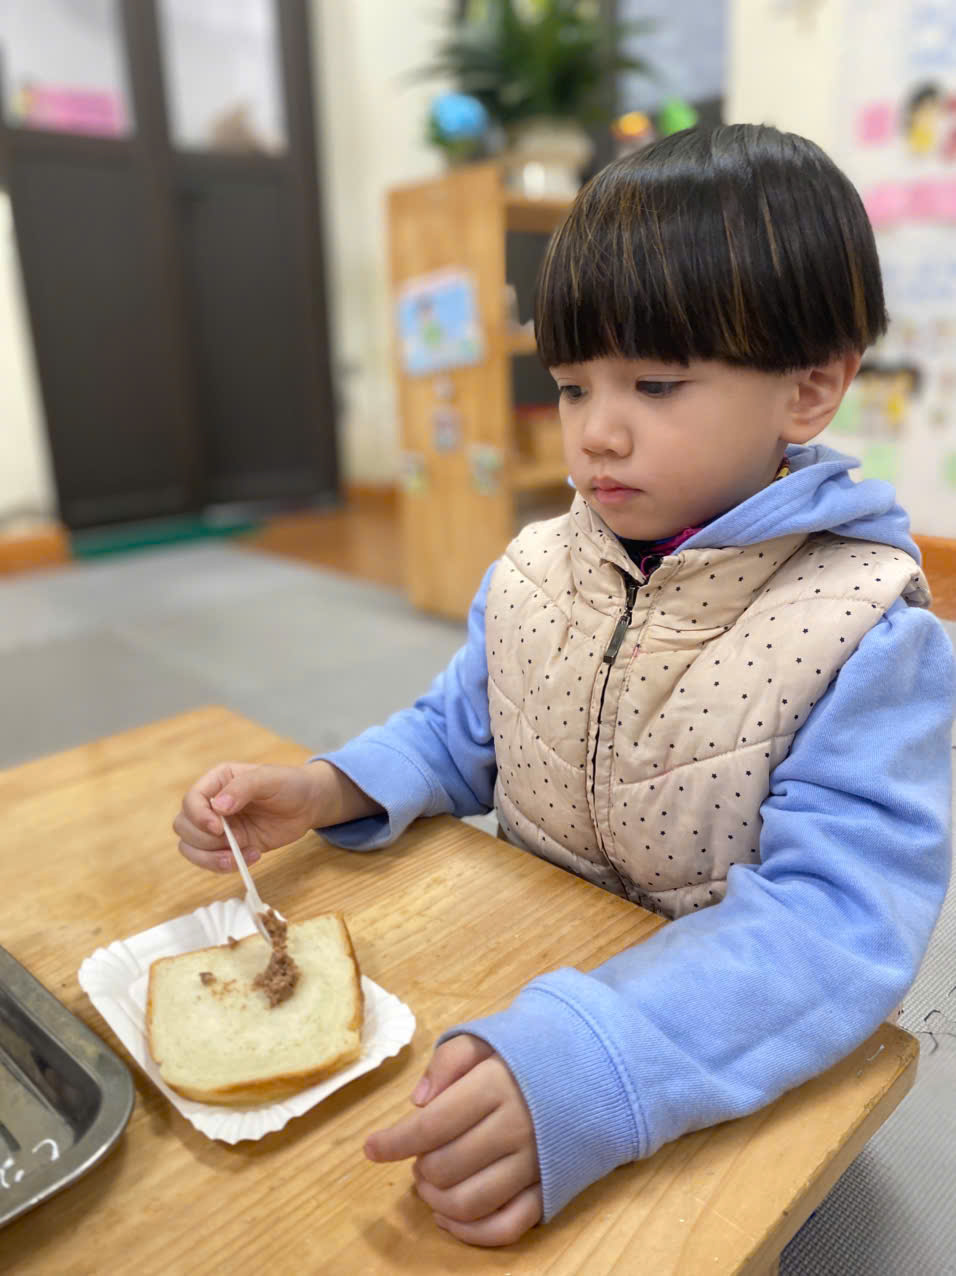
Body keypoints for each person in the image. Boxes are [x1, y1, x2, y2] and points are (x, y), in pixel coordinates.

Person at [174, 125, 954, 1248]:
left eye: (655, 383)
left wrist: (598, 1057)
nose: (596, 433)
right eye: (573, 385)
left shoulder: (867, 632)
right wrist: (327, 787)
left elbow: (834, 927)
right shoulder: (538, 567)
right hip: (519, 1001)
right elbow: (464, 729)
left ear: (810, 388)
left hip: (708, 1055)